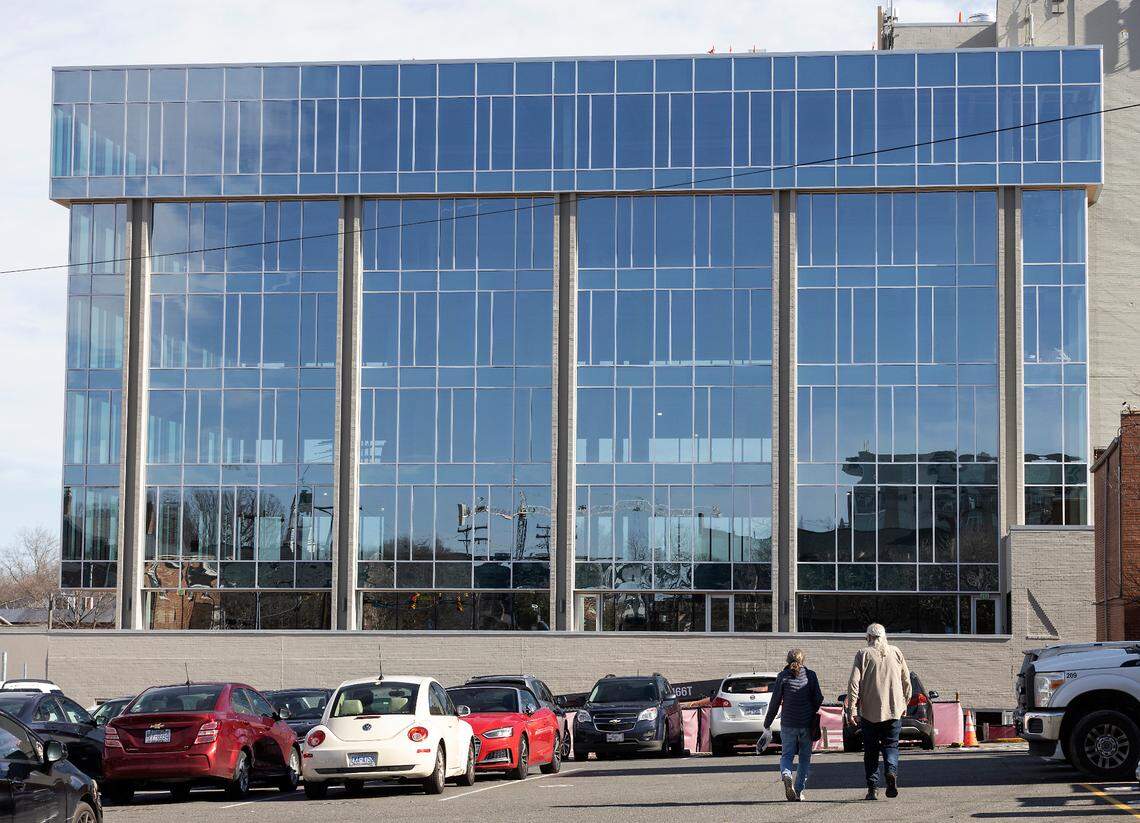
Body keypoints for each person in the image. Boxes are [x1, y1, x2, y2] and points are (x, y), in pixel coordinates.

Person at [844, 623, 912, 801]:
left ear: (869, 637)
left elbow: (854, 683)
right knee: (891, 745)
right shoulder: (896, 652)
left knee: (871, 751)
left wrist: (851, 709)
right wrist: (904, 702)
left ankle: (872, 788)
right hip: (893, 710)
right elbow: (906, 680)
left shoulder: (863, 654)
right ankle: (891, 771)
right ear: (884, 636)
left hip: (869, 713)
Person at [763, 648, 824, 802]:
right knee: (804, 758)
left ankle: (786, 774)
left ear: (787, 661)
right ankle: (798, 791)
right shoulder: (811, 675)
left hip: (788, 723)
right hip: (806, 724)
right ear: (803, 660)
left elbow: (775, 702)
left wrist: (767, 723)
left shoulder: (782, 677)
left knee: (787, 755)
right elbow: (819, 698)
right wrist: (810, 709)